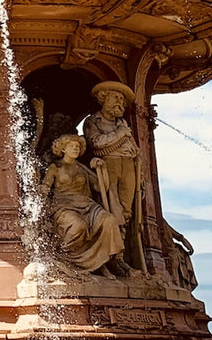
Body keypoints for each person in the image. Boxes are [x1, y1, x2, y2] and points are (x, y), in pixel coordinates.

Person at [39, 135, 123, 273]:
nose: (75, 149)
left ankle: (106, 261)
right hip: (64, 205)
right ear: (63, 149)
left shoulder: (82, 168)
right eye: (72, 146)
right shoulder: (55, 167)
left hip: (87, 205)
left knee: (109, 220)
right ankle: (64, 257)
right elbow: (45, 187)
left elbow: (99, 186)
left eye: (78, 147)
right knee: (79, 226)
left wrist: (102, 169)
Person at [84, 81, 144, 270]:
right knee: (111, 208)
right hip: (108, 165)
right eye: (116, 98)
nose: (120, 103)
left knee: (127, 211)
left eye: (122, 100)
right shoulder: (93, 121)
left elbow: (134, 149)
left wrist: (140, 178)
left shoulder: (123, 123)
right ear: (103, 98)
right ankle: (112, 255)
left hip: (128, 166)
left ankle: (123, 254)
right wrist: (120, 135)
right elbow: (97, 144)